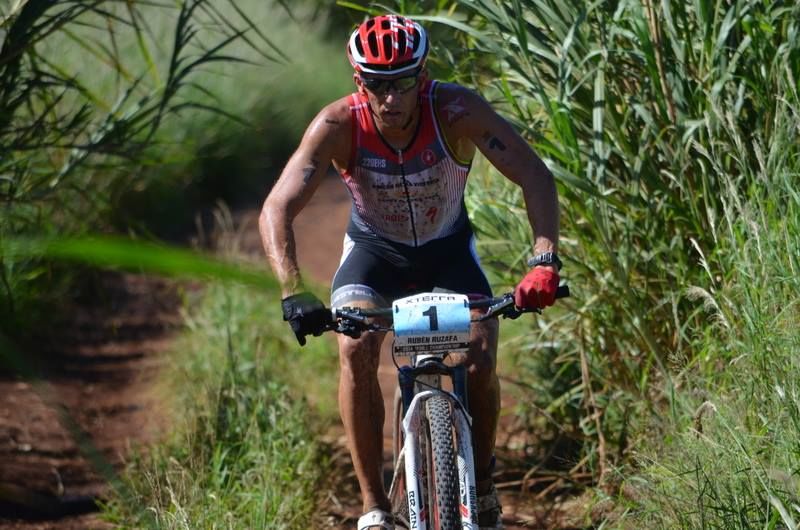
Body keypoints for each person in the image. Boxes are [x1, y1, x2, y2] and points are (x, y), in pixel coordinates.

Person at [259, 14, 561, 530]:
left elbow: (534, 176)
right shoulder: (337, 125)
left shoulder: (458, 110)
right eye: (377, 84)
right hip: (374, 255)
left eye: (402, 82)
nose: (391, 97)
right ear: (359, 82)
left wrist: (544, 260)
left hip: (448, 252)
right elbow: (276, 208)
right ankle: (374, 505)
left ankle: (483, 487)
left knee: (481, 353)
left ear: (423, 77)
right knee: (354, 348)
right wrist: (293, 291)